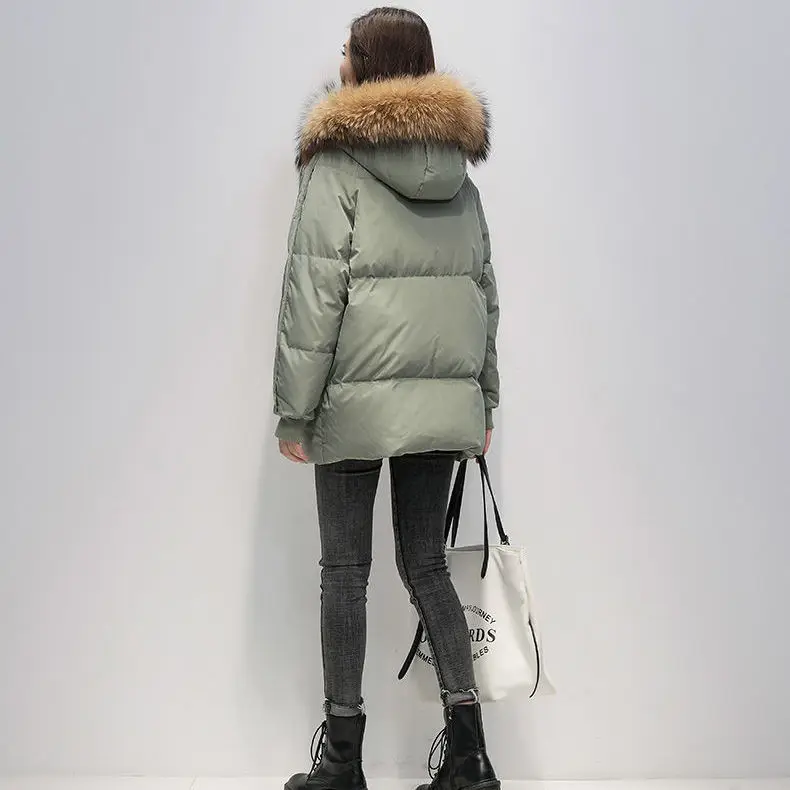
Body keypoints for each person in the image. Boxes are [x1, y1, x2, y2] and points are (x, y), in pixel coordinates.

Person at [272, 8, 500, 790]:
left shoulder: (335, 165)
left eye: (348, 49)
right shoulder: (459, 175)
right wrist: (483, 403)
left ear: (368, 64)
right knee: (426, 566)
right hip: (441, 407)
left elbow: (313, 299)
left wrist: (295, 410)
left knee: (345, 572)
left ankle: (343, 763)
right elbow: (483, 295)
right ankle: (470, 758)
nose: (338, 59)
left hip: (354, 405)